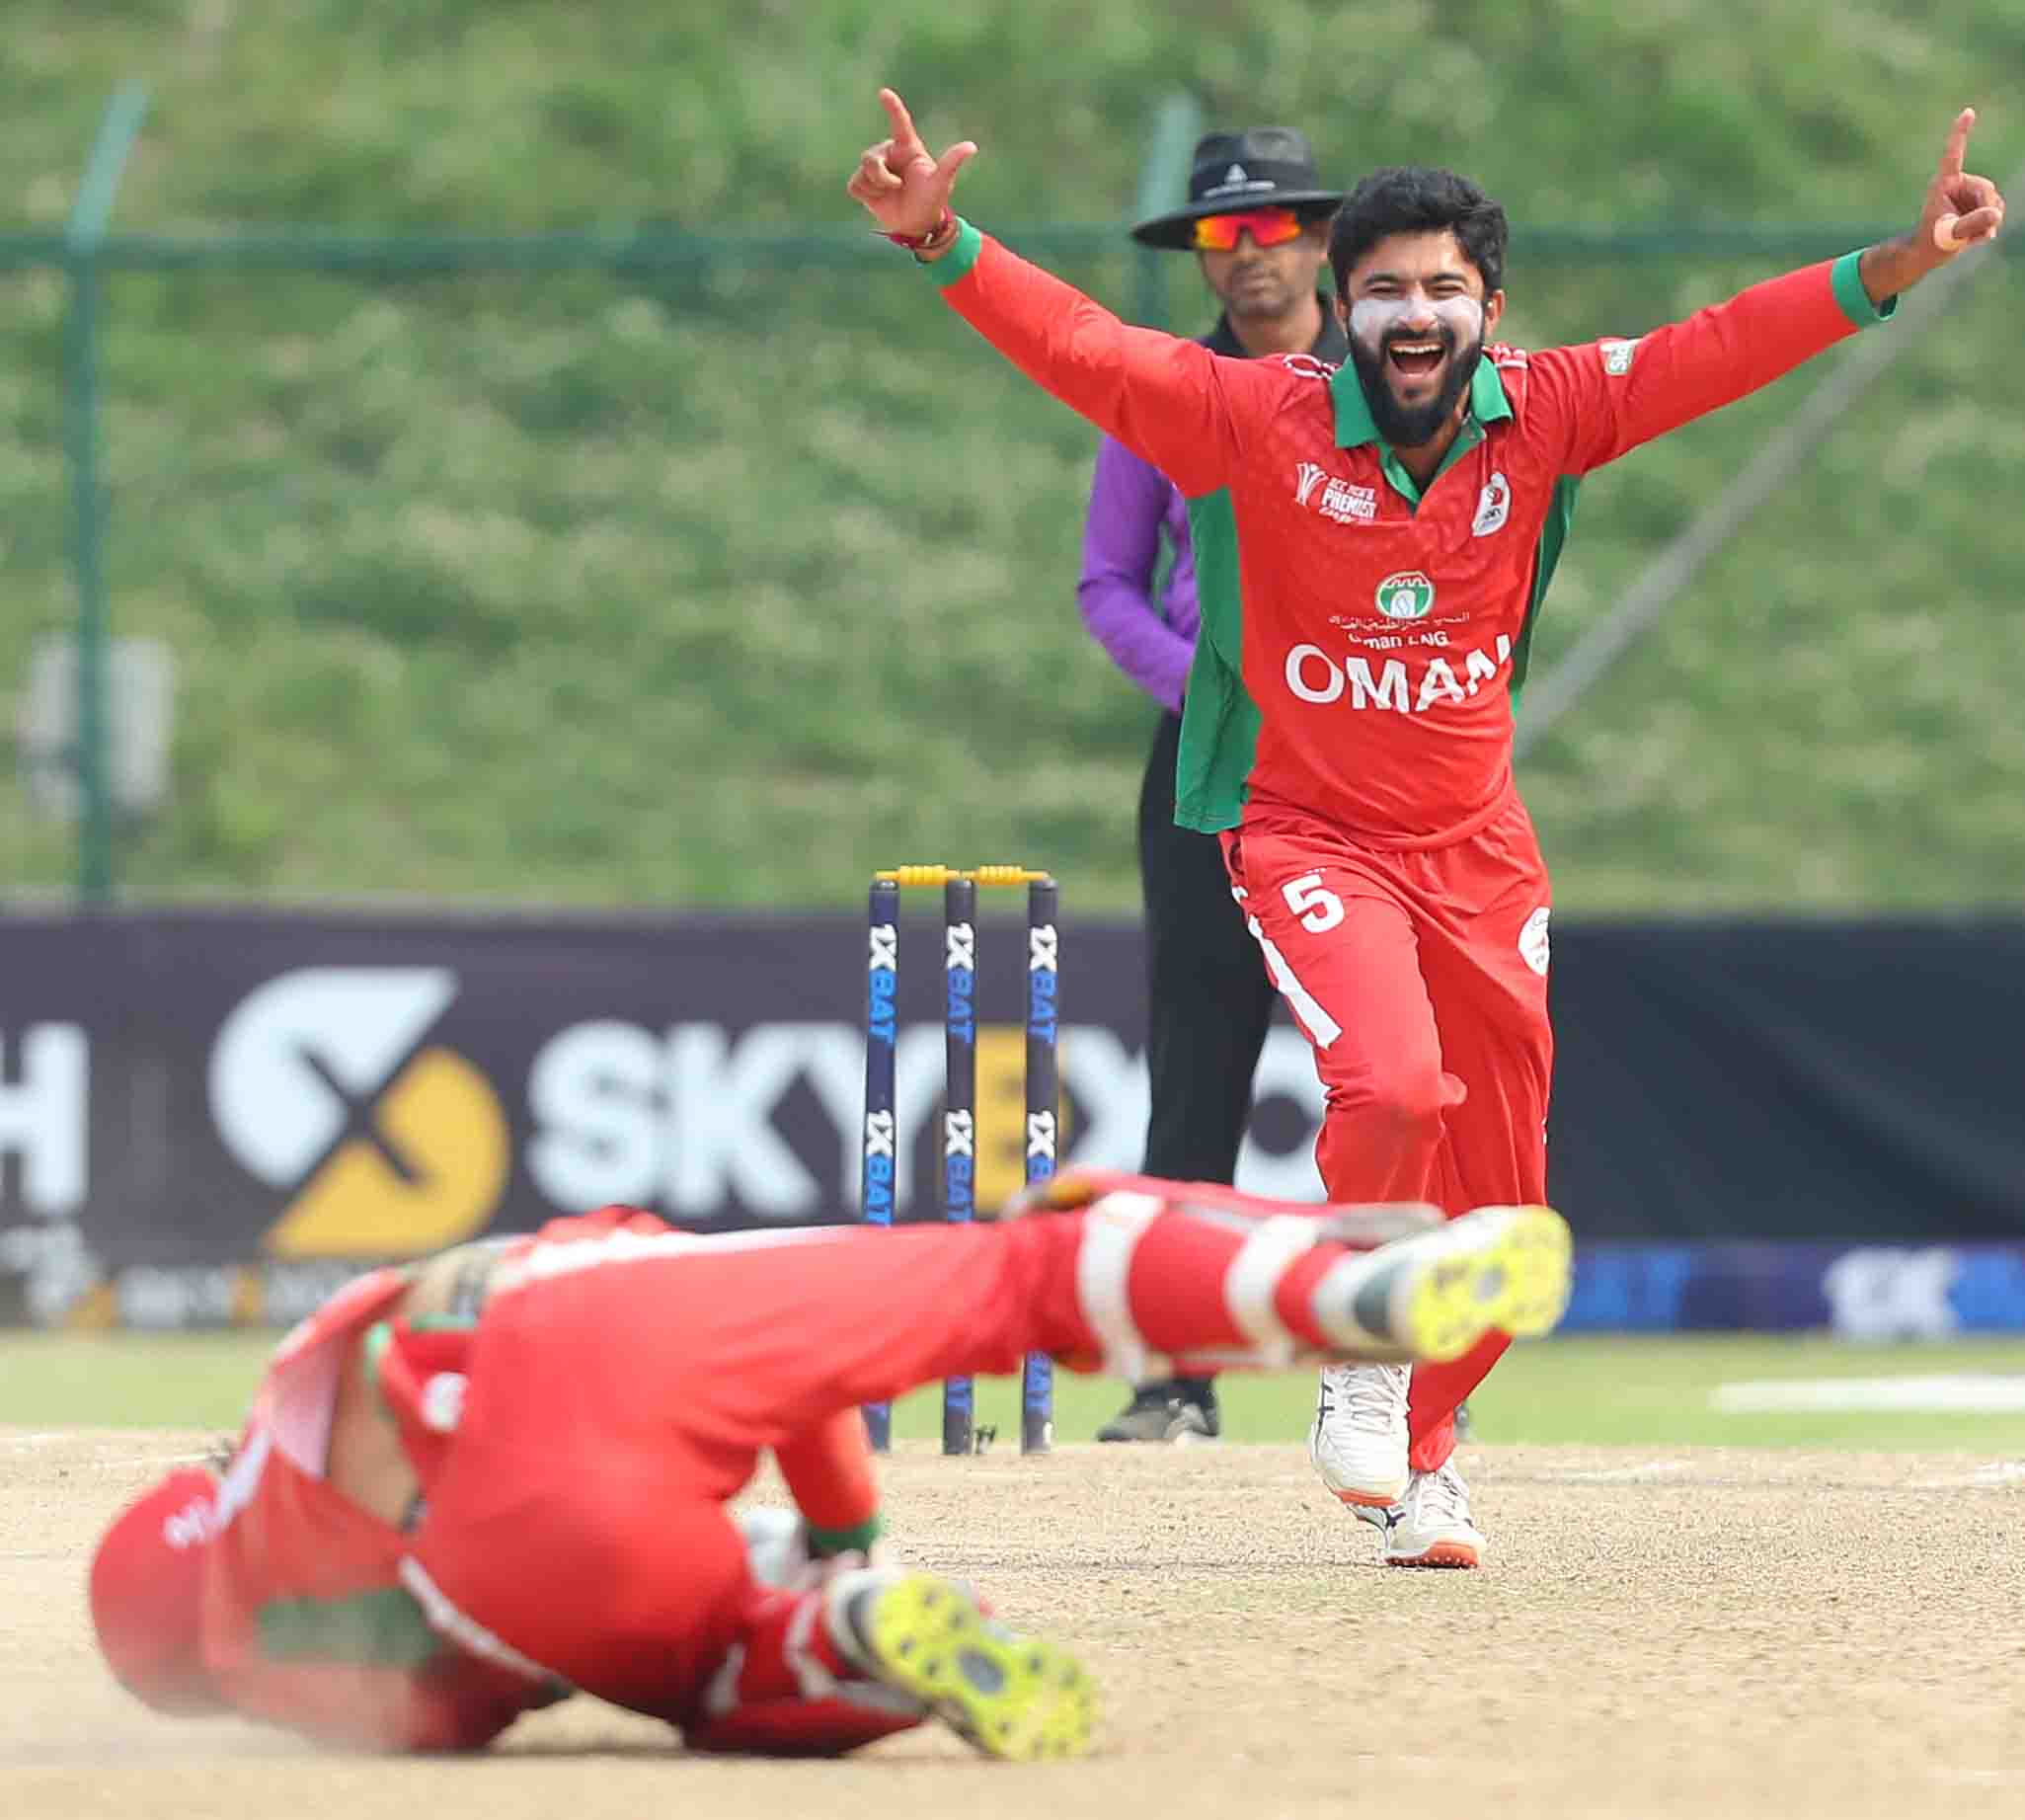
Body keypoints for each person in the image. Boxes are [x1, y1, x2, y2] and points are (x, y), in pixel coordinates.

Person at [846, 91, 2004, 1565]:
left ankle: (1429, 1458)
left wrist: (1896, 263)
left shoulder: (1554, 409)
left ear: (1488, 313)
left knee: (1512, 1230)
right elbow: (1085, 348)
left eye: (1443, 291)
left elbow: (1720, 348)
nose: (1414, 315)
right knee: (1391, 1090)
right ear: (1343, 308)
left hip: (1479, 849)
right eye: (1385, 287)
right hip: (1308, 833)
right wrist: (942, 242)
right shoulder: (1250, 418)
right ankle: (1365, 1353)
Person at [88, 1173, 1572, 1756]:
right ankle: (1334, 1299)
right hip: (578, 1320)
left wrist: (839, 1570)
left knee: (711, 1671)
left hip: (516, 1578)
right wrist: (847, 1515)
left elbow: (500, 1684)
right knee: (1021, 1274)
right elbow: (794, 1387)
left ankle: (840, 1631)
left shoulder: (323, 1662)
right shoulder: (313, 1377)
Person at [1080, 128, 1347, 1446]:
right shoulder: (1170, 392)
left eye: (1269, 230)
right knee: (1198, 1059)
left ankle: (1396, 1369)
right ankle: (1175, 1374)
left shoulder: (1392, 379)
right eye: (1219, 238)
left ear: (1316, 239)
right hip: (1211, 762)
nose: (1246, 259)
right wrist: (1216, 691)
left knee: (1390, 1068)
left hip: (1372, 757)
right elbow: (1106, 588)